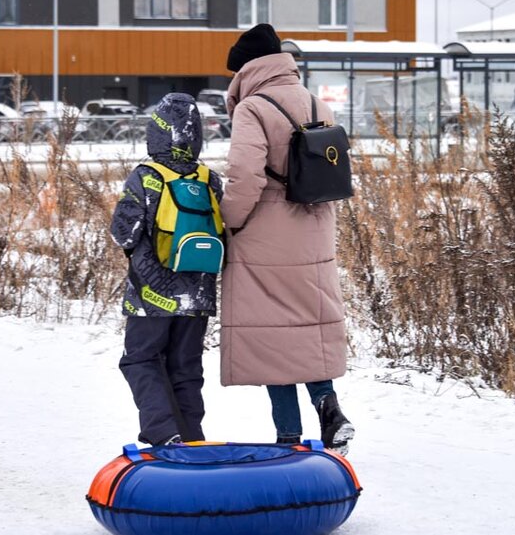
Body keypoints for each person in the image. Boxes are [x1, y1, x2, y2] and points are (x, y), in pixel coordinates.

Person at [218, 24, 355, 454]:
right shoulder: (316, 102)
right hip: (315, 229)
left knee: (271, 334)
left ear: (246, 69)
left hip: (266, 234)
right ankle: (328, 407)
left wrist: (228, 223)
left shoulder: (253, 108)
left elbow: (245, 178)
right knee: (305, 326)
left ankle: (288, 439)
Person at [110, 92, 223, 446]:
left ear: (156, 131)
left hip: (151, 295)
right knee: (185, 370)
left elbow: (123, 232)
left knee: (140, 360)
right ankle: (192, 441)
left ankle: (163, 435)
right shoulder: (210, 179)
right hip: (198, 296)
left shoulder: (146, 177)